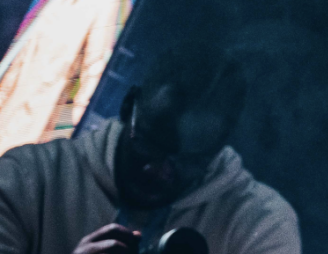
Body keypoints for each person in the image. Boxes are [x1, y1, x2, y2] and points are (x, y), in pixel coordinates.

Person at [0, 50, 298, 254]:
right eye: (149, 144)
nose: (158, 171)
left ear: (217, 151)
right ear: (128, 106)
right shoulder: (25, 179)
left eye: (186, 160)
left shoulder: (260, 223)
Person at [0, 0, 136, 155]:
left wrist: (72, 132)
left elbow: (93, 68)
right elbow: (25, 54)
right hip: (10, 109)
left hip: (37, 122)